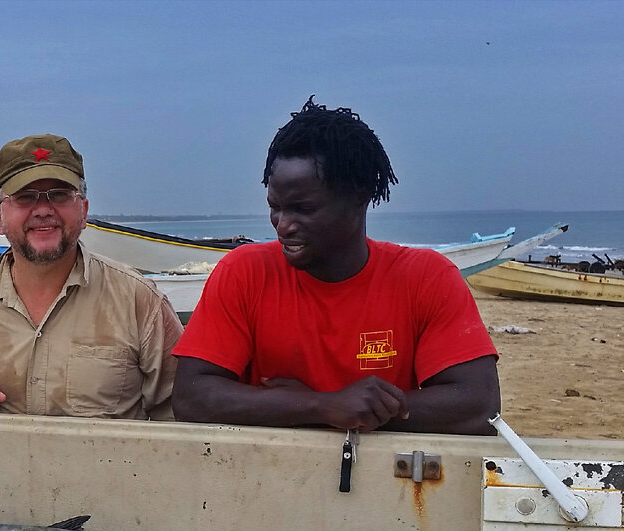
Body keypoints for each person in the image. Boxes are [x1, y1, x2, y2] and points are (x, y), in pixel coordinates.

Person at [172, 97, 500, 435]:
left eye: (303, 209)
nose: (283, 225)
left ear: (359, 196)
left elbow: (478, 406)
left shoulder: (427, 278)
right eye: (276, 207)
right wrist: (324, 405)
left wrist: (327, 409)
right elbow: (191, 398)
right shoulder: (244, 272)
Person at [0, 133, 182, 420]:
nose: (43, 210)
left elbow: (179, 407)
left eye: (59, 195)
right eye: (25, 197)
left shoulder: (139, 300)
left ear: (83, 210)